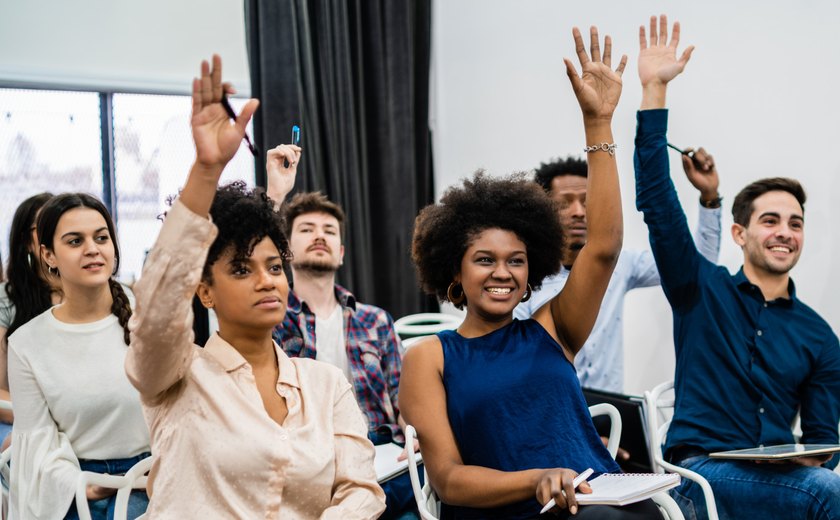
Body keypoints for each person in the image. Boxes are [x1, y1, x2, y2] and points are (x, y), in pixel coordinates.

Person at [400, 26, 661, 519]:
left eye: (516, 260)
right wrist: (538, 480)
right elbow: (450, 480)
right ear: (454, 269)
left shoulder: (551, 329)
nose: (503, 273)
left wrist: (598, 124)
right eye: (485, 259)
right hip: (515, 511)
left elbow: (603, 247)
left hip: (598, 501)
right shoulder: (428, 357)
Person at [125, 55, 385, 518]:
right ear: (204, 291)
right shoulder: (175, 376)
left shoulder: (325, 386)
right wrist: (206, 171)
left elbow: (361, 491)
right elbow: (159, 308)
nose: (267, 280)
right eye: (242, 270)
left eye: (274, 267)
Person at [633, 15, 840, 519]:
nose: (785, 232)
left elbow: (822, 441)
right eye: (770, 221)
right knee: (826, 495)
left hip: (782, 479)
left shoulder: (818, 335)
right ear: (741, 233)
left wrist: (813, 453)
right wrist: (654, 91)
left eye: (795, 223)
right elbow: (659, 204)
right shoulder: (699, 289)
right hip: (698, 476)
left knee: (823, 485)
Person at [514, 152, 721, 393]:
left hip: (611, 412)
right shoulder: (524, 275)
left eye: (586, 200)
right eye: (564, 203)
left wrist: (710, 197)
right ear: (543, 211)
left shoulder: (620, 263)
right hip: (550, 407)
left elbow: (695, 265)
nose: (579, 211)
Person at [267, 181, 411, 518]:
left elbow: (403, 398)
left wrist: (416, 435)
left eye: (329, 231)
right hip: (309, 459)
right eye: (306, 229)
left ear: (341, 252)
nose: (320, 236)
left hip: (382, 453)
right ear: (286, 250)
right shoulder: (271, 320)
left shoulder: (375, 320)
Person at [7, 192, 150, 519]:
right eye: (75, 241)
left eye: (101, 238)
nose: (92, 249)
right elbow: (37, 446)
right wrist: (84, 486)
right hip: (79, 486)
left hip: (155, 476)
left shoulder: (146, 315)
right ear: (48, 255)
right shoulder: (27, 343)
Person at [0, 192, 56, 445]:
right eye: (44, 226)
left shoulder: (93, 294)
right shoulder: (7, 299)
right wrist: (41, 418)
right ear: (26, 242)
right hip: (22, 419)